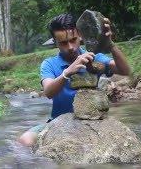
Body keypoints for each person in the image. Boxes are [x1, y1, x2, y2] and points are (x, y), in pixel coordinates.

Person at [19, 13, 130, 146]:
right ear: (55, 43)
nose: (70, 47)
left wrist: (110, 44)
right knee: (24, 140)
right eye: (64, 43)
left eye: (73, 40)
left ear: (80, 36)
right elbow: (48, 92)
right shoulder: (49, 64)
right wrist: (68, 72)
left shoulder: (94, 57)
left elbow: (125, 71)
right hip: (57, 122)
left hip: (92, 122)